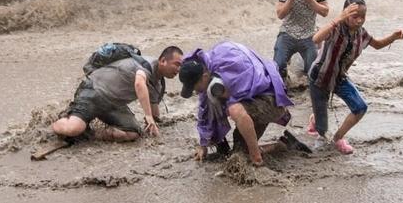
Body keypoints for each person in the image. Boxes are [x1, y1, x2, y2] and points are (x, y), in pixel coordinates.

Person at [179, 41, 306, 166]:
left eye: (195, 87)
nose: (195, 91)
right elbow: (204, 109)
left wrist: (226, 95)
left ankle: (257, 158)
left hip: (270, 101)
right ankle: (283, 145)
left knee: (234, 109)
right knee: (239, 155)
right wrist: (203, 145)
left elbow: (254, 85)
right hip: (251, 104)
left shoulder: (229, 62)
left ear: (204, 76)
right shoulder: (208, 68)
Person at [307, 0, 403, 154]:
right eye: (355, 16)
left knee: (360, 107)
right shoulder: (336, 28)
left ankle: (337, 138)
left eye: (363, 17)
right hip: (320, 78)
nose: (359, 20)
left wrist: (393, 37)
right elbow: (316, 38)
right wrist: (338, 19)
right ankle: (317, 122)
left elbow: (378, 45)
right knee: (322, 129)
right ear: (345, 14)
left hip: (339, 78)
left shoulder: (362, 33)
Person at [52, 46, 184, 142]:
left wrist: (154, 125)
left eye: (181, 66)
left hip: (113, 105)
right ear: (162, 61)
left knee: (133, 133)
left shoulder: (158, 84)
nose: (178, 69)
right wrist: (148, 116)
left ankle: (90, 135)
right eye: (176, 64)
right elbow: (139, 83)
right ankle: (57, 124)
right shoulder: (146, 65)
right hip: (94, 91)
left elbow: (155, 115)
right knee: (73, 129)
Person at [274, 0, 329, 82]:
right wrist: (290, 0)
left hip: (309, 34)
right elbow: (280, 15)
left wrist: (312, 1)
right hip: (287, 32)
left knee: (312, 71)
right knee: (277, 66)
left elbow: (325, 12)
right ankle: (284, 83)